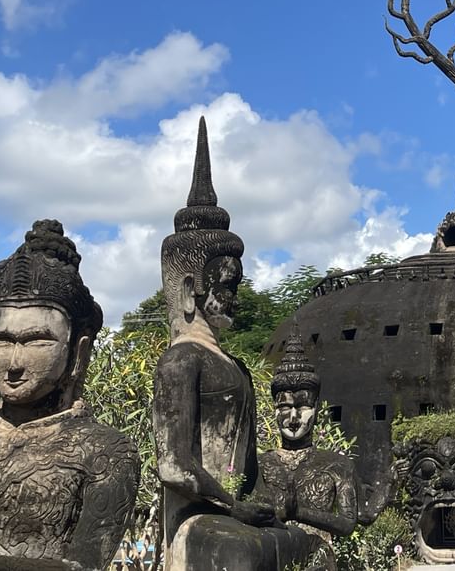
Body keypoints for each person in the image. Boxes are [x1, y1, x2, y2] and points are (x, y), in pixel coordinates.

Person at [0, 220, 139, 569]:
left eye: (37, 341)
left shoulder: (106, 453)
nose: (14, 363)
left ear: (78, 351)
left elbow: (85, 567)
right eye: (2, 341)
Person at [152, 117, 313, 570]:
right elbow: (174, 466)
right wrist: (233, 505)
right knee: (243, 554)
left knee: (308, 546)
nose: (235, 299)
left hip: (232, 511)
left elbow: (250, 469)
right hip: (195, 516)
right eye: (227, 287)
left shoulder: (237, 368)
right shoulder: (180, 361)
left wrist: (265, 506)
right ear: (190, 290)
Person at [253, 332, 357, 570]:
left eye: (302, 406)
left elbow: (347, 523)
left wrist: (299, 512)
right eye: (284, 407)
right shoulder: (260, 464)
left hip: (318, 560)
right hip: (273, 558)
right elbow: (251, 515)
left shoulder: (338, 464)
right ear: (274, 409)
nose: (293, 417)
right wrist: (280, 513)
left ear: (316, 408)